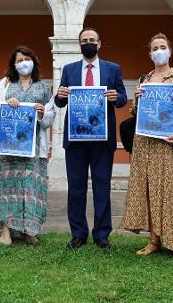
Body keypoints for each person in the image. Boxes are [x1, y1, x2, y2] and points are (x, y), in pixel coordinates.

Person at [121, 33, 173, 257]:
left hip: (169, 144)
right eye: (155, 47)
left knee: (172, 192)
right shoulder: (144, 80)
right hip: (145, 144)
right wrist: (137, 99)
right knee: (149, 191)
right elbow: (135, 114)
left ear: (170, 51)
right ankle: (153, 240)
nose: (159, 50)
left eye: (163, 46)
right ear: (150, 53)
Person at [54, 27, 127, 249]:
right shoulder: (69, 69)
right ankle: (78, 234)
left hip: (102, 139)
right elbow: (59, 102)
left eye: (92, 40)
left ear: (99, 43)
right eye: (85, 40)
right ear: (80, 44)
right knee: (76, 188)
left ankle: (102, 234)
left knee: (102, 186)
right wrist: (59, 95)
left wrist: (117, 97)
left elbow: (123, 98)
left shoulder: (112, 69)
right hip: (75, 138)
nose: (89, 43)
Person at [0, 46, 55, 245]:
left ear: (33, 62)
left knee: (30, 188)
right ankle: (6, 231)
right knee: (7, 187)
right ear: (14, 65)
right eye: (19, 60)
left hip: (32, 148)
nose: (23, 62)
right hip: (8, 146)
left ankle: (29, 230)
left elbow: (50, 118)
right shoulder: (7, 83)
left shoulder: (43, 88)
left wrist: (42, 113)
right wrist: (7, 103)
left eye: (26, 58)